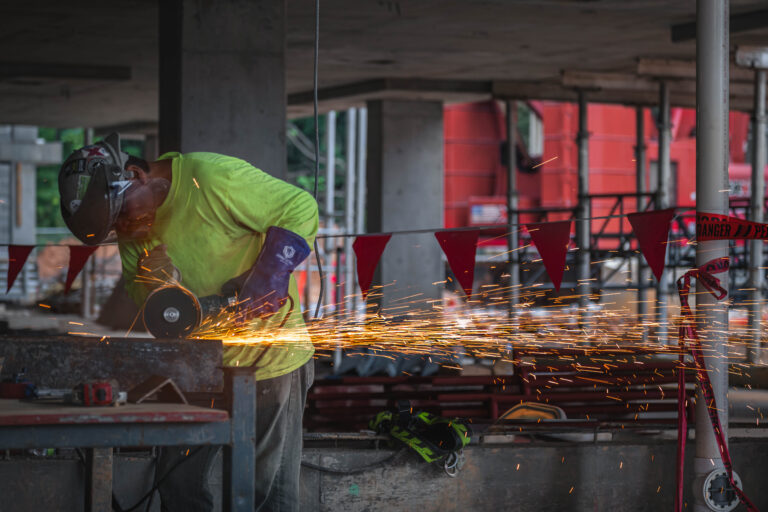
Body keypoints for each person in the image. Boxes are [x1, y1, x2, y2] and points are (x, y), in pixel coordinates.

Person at [58, 132, 318, 511]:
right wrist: (156, 287)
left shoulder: (210, 178)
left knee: (264, 493)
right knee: (179, 487)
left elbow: (300, 206)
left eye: (123, 215)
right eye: (115, 228)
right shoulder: (134, 232)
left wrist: (270, 272)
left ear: (135, 175)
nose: (125, 230)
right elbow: (146, 305)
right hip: (192, 370)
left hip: (268, 361)